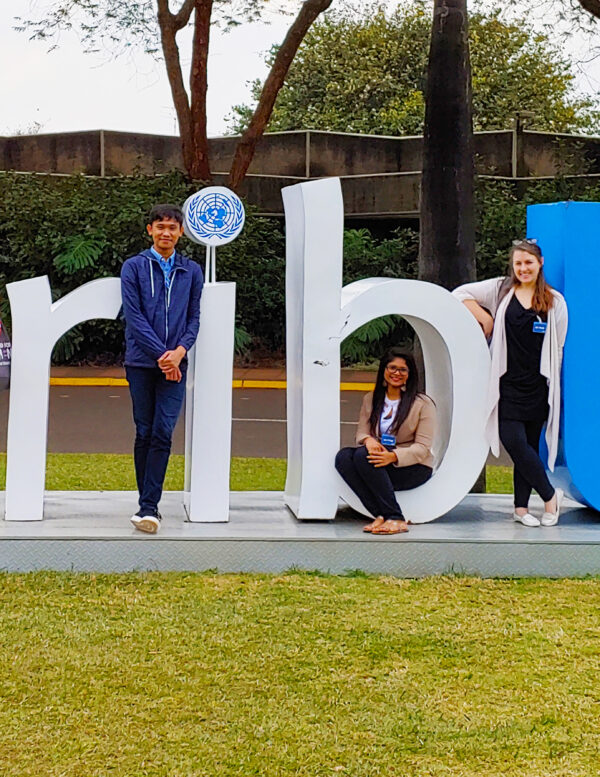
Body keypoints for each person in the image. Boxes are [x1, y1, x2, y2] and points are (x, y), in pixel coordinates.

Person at [453, 239, 568, 527]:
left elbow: (558, 348)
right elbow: (460, 293)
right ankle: (550, 496)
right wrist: (486, 319)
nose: (523, 268)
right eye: (518, 263)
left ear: (540, 263)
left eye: (528, 262)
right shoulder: (501, 290)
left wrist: (554, 389)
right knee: (513, 441)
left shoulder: (554, 301)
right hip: (507, 385)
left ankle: (520, 508)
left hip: (538, 387)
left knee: (527, 447)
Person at [121, 203, 204, 533]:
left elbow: (194, 317)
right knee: (144, 431)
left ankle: (148, 507)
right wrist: (163, 356)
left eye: (172, 227)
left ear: (181, 232)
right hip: (141, 363)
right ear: (150, 231)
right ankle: (148, 505)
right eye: (160, 227)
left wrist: (179, 353)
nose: (166, 232)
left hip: (176, 365)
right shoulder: (134, 267)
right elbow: (134, 317)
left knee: (163, 431)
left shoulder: (191, 270)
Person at [335, 348, 436, 535]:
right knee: (344, 457)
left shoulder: (423, 404)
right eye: (392, 368)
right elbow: (362, 432)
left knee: (363, 456)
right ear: (384, 370)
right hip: (377, 462)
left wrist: (393, 456)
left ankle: (395, 517)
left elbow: (423, 448)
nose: (397, 373)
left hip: (411, 466)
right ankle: (381, 515)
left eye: (403, 370)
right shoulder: (371, 399)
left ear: (410, 374)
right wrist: (368, 440)